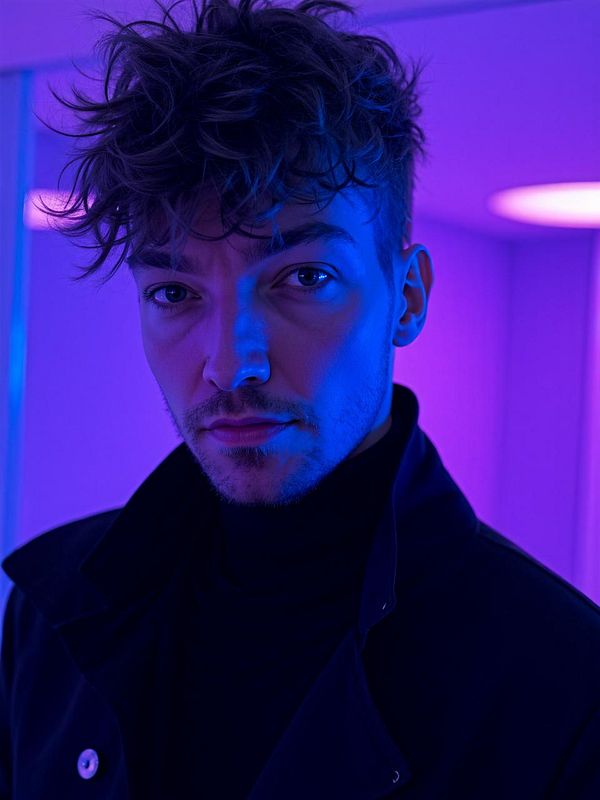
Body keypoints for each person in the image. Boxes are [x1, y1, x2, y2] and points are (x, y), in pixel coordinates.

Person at [1, 0, 599, 797]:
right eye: (176, 291)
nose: (229, 365)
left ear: (407, 298)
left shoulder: (559, 678)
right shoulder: (50, 614)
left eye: (303, 278)